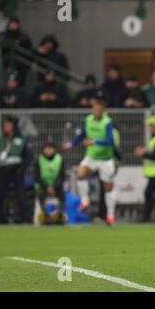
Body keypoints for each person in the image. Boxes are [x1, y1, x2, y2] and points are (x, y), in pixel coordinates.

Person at [62, 96, 117, 225]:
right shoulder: (88, 120)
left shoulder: (108, 122)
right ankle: (85, 201)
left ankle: (110, 215)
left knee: (108, 188)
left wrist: (95, 141)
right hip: (91, 157)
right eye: (94, 108)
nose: (95, 110)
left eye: (98, 108)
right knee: (80, 173)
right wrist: (72, 143)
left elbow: (110, 141)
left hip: (106, 159)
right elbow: (82, 134)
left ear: (103, 109)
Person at [0, 116, 32, 224]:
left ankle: (26, 219)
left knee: (21, 195)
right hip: (3, 171)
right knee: (0, 195)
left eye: (8, 124)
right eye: (4, 125)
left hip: (17, 170)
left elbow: (28, 155)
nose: (6, 127)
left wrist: (22, 168)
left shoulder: (23, 138)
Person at [34, 142, 66, 225]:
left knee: (62, 195)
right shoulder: (39, 159)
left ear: (54, 149)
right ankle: (47, 217)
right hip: (43, 185)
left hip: (56, 185)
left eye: (50, 148)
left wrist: (53, 186)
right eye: (46, 148)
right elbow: (37, 176)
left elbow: (62, 176)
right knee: (40, 194)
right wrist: (47, 187)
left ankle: (59, 216)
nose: (48, 150)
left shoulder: (59, 159)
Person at [0, 17, 33, 86]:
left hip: (21, 66)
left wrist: (17, 43)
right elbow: (3, 44)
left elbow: (28, 44)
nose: (14, 25)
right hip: (8, 64)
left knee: (20, 85)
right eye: (12, 23)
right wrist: (16, 43)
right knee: (7, 85)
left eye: (15, 24)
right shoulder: (4, 34)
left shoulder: (23, 35)